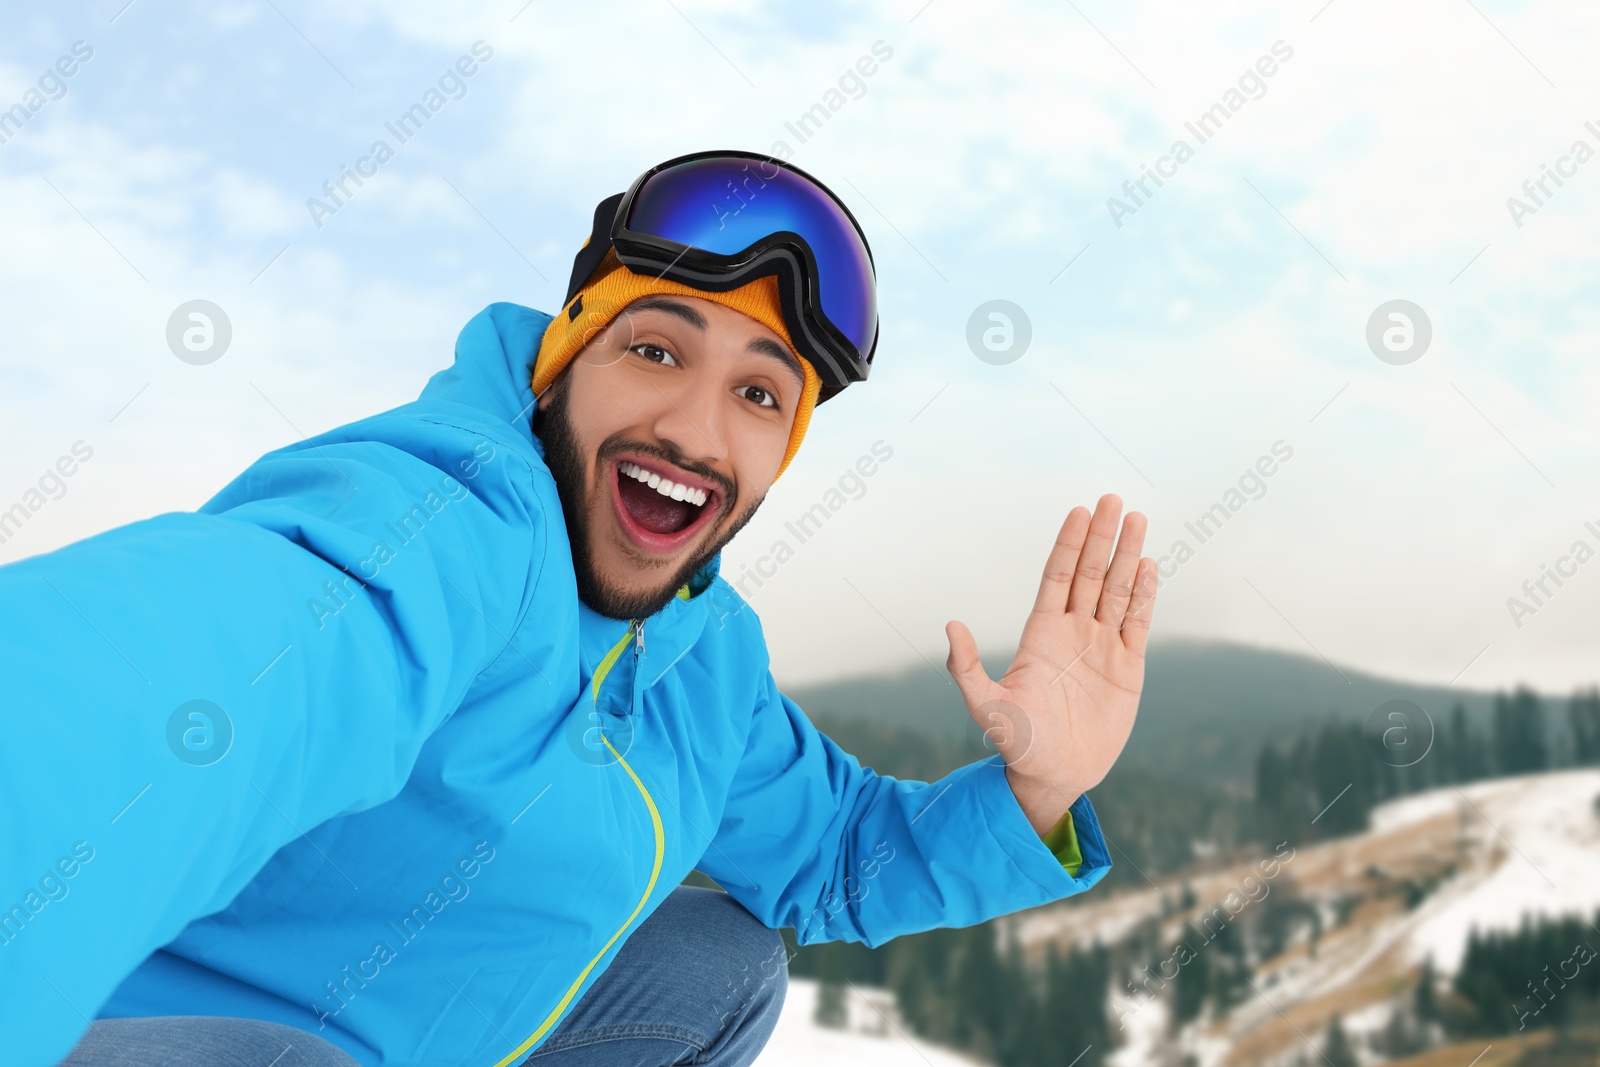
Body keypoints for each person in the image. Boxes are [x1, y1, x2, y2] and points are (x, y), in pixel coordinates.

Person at [3, 150, 1158, 1067]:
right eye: (656, 349)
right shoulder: (439, 526)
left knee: (723, 959)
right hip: (140, 1034)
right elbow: (185, 672)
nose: (697, 432)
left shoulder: (705, 657)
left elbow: (837, 855)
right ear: (563, 359)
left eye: (759, 393)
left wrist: (1036, 788)